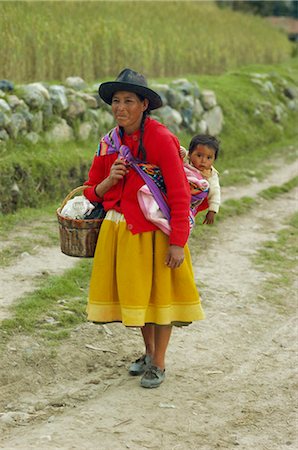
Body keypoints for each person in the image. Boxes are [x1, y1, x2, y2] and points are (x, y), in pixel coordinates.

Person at [83, 68, 204, 389]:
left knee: (159, 296)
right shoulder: (109, 143)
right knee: (138, 296)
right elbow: (90, 190)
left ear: (144, 105)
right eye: (116, 101)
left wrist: (178, 241)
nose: (120, 108)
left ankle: (160, 362)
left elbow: (178, 191)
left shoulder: (160, 139)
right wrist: (110, 181)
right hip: (120, 230)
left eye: (129, 101)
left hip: (157, 231)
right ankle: (148, 353)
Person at [180, 134, 221, 224]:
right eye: (199, 155)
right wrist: (181, 151)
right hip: (176, 193)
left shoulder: (211, 175)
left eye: (209, 157)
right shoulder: (186, 160)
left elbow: (215, 193)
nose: (203, 161)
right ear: (190, 154)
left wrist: (212, 211)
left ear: (214, 159)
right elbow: (178, 153)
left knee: (185, 222)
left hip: (190, 204)